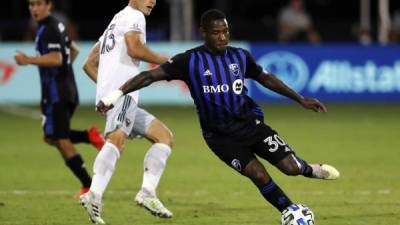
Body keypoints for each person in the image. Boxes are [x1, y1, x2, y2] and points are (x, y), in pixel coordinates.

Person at [98, 9, 340, 222]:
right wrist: (115, 95)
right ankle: (291, 211)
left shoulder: (240, 56)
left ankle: (309, 169)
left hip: (252, 126)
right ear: (203, 32)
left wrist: (300, 99)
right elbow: (148, 76)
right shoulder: (189, 60)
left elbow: (266, 78)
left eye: (226, 31)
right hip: (220, 138)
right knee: (258, 174)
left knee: (290, 168)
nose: (223, 36)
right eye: (217, 32)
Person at [79, 0, 174, 223]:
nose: (152, 1)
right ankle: (94, 194)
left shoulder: (116, 19)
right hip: (123, 97)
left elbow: (88, 63)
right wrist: (168, 62)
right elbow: (135, 48)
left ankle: (147, 192)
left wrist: (108, 91)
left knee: (164, 137)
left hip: (120, 97)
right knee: (116, 140)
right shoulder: (135, 17)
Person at [14, 0, 105, 197]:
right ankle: (88, 136)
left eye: (38, 4)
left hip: (57, 93)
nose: (34, 9)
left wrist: (27, 60)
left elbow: (56, 59)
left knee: (61, 139)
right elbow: (74, 50)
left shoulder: (48, 28)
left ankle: (88, 185)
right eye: (31, 4)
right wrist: (64, 74)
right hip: (62, 90)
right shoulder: (56, 26)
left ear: (49, 5)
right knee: (51, 136)